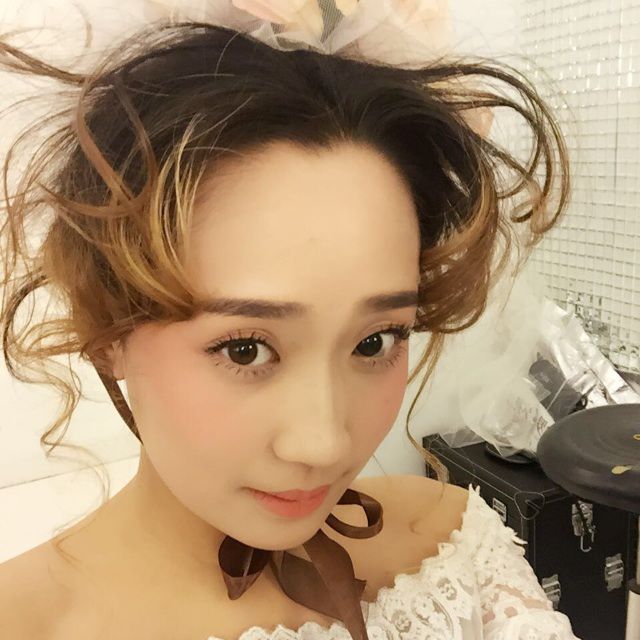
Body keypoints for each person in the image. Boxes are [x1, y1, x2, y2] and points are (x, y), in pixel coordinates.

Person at [0, 1, 579, 638]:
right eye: (245, 349)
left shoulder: (449, 536)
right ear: (108, 331)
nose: (324, 444)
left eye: (375, 341)